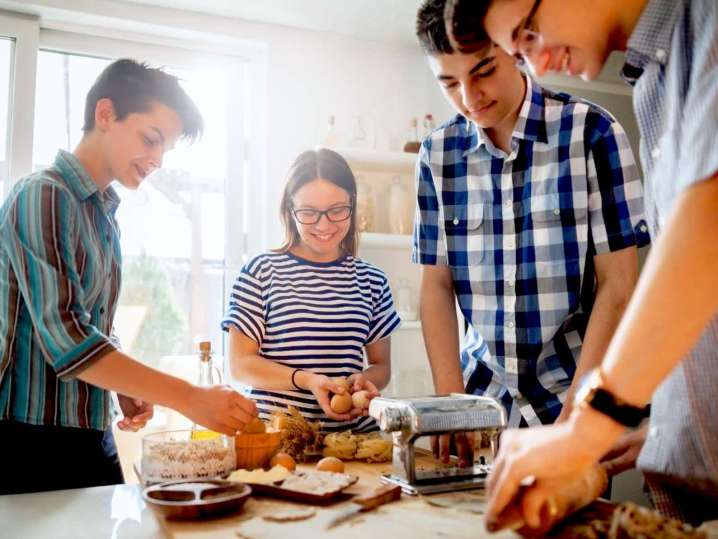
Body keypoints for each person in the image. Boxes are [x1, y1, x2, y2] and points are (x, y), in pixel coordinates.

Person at [445, 0, 718, 528]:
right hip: (691, 485)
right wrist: (663, 428)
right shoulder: (652, 83)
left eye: (528, 34)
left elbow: (708, 230)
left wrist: (584, 429)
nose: (538, 65)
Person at [0, 59, 257, 495]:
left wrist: (121, 385)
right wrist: (189, 398)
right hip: (26, 439)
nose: (157, 160)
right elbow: (67, 338)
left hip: (89, 433)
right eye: (150, 139)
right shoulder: (42, 194)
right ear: (105, 114)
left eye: (165, 150)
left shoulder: (105, 214)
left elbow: (94, 324)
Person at [412, 0, 649, 467]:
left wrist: (575, 420)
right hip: (480, 406)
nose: (469, 96)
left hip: (569, 393)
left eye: (482, 71)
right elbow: (436, 286)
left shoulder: (593, 133)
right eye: (449, 84)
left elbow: (618, 287)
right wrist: (452, 404)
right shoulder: (436, 154)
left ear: (512, 49)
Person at [223, 148, 400, 433]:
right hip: (281, 439)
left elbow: (381, 366)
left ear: (353, 206)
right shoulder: (260, 271)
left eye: (337, 210)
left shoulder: (372, 279)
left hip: (356, 440)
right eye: (308, 212)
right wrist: (306, 380)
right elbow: (241, 365)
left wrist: (364, 381)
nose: (323, 224)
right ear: (289, 211)